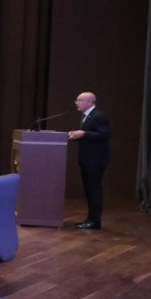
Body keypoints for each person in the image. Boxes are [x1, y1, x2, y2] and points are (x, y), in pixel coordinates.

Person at [68, 91, 110, 229]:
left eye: (80, 100)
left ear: (90, 102)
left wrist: (84, 133)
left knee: (93, 189)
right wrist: (77, 135)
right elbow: (89, 136)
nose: (77, 103)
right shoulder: (86, 115)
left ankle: (94, 221)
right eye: (77, 100)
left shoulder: (99, 115)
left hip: (95, 160)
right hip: (87, 159)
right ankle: (90, 219)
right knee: (89, 189)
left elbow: (104, 135)